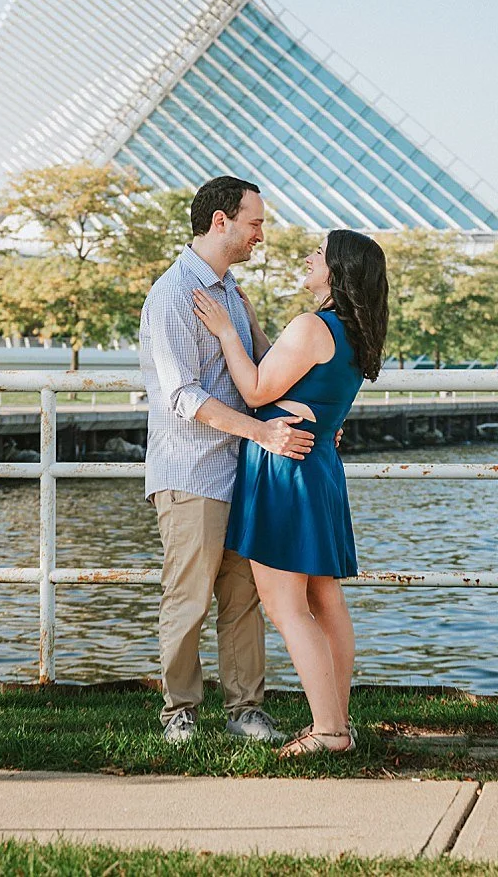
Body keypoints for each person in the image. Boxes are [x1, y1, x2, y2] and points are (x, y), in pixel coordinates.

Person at [194, 228, 387, 757]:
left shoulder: (310, 327)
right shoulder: (350, 331)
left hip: (285, 470)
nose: (308, 257)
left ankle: (329, 732)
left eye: (319, 254)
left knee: (284, 607)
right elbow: (289, 376)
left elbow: (257, 388)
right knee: (325, 600)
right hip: (317, 465)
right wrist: (253, 327)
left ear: (338, 270)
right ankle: (337, 721)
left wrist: (226, 333)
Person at [138, 176, 315, 745]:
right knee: (188, 596)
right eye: (255, 222)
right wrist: (263, 433)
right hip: (191, 470)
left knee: (243, 599)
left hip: (244, 470)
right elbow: (182, 396)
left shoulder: (230, 290)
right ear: (222, 221)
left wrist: (308, 415)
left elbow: (259, 372)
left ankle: (245, 710)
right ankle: (179, 713)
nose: (261, 234)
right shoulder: (172, 294)